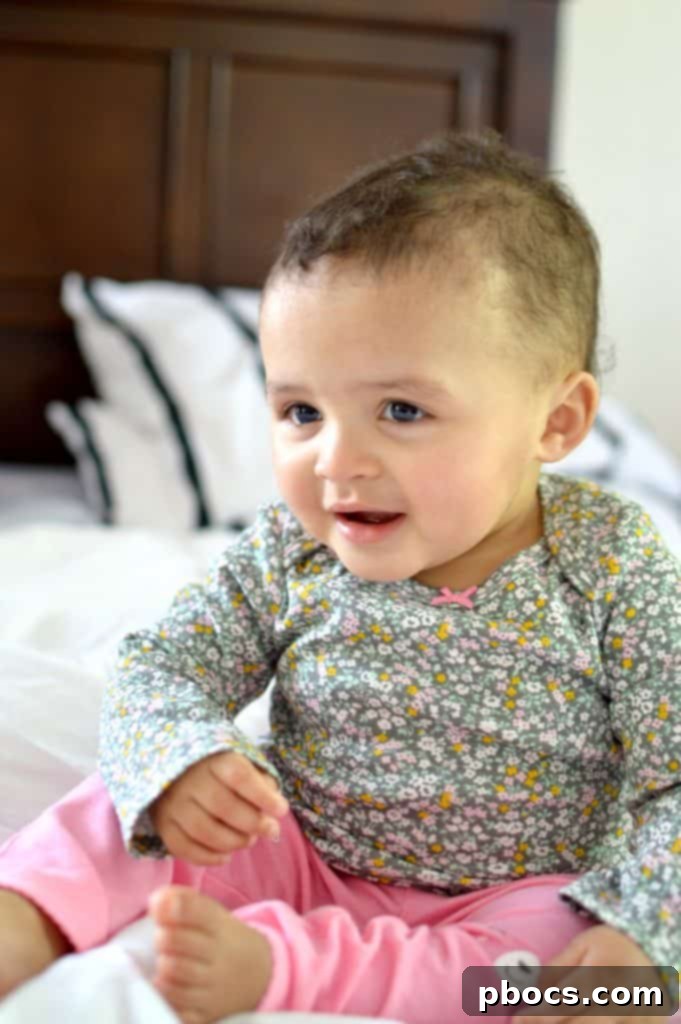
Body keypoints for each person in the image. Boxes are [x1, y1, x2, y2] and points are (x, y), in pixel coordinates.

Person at [0, 131, 679, 1024]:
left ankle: (286, 972)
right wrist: (178, 760)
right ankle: (24, 918)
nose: (336, 459)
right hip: (300, 845)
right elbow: (166, 664)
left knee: (581, 974)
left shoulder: (612, 565)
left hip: (514, 891)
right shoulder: (291, 549)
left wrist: (640, 924)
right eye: (299, 411)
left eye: (402, 410)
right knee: (125, 810)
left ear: (554, 422)